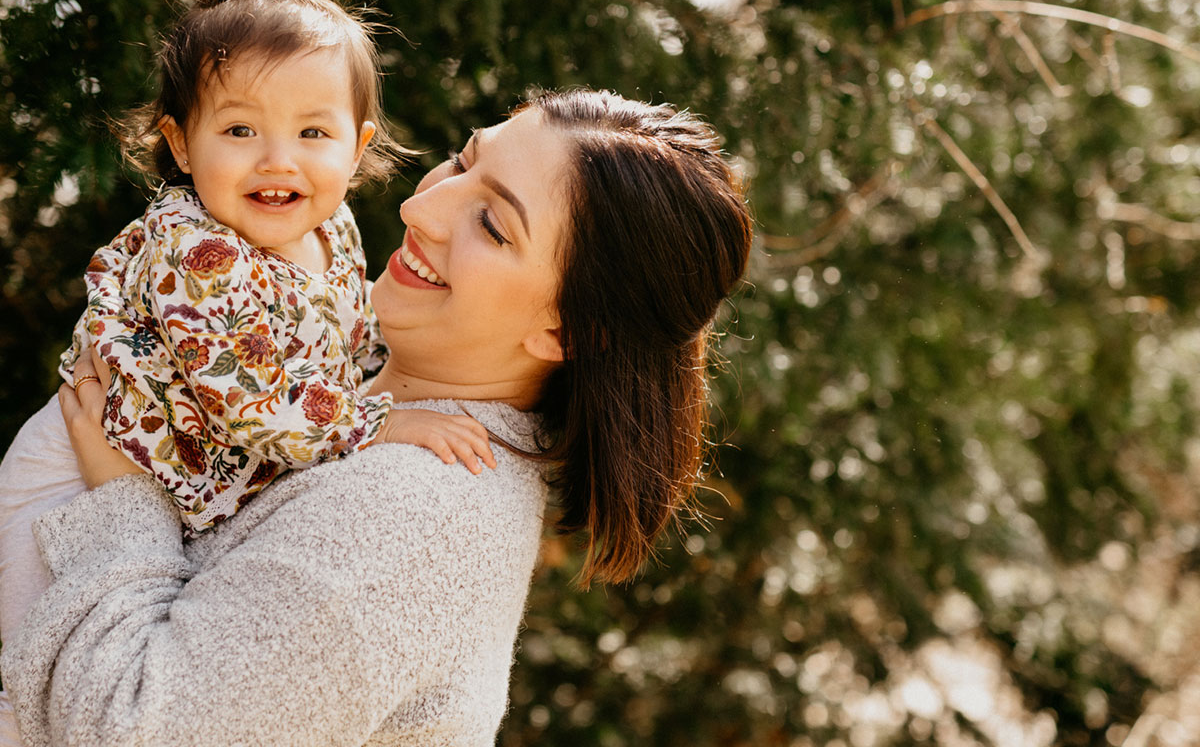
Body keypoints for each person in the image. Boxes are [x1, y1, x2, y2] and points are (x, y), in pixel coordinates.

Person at [0, 92, 752, 746]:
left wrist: (124, 500)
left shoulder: (414, 518)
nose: (419, 209)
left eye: (493, 226)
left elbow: (138, 735)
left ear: (567, 332)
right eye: (462, 161)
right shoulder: (323, 355)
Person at [0, 0, 498, 648]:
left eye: (312, 132)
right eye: (239, 130)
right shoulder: (197, 253)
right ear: (181, 143)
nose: (277, 160)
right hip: (66, 481)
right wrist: (380, 424)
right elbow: (252, 404)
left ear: (356, 148)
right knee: (46, 669)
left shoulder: (332, 227)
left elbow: (338, 328)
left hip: (167, 480)